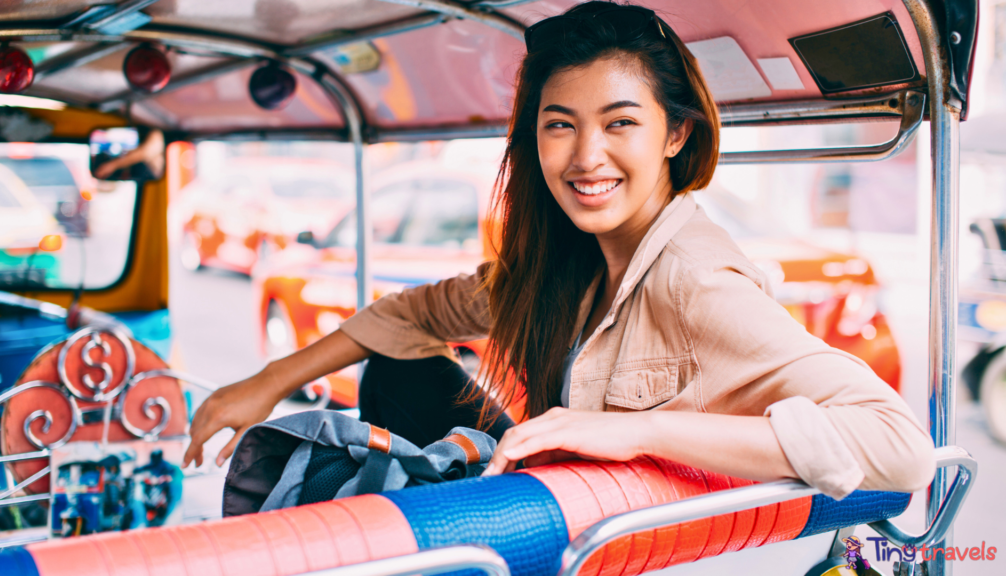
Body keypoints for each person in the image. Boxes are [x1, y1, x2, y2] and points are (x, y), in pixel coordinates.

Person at [184, 1, 934, 499]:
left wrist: (636, 429)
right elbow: (411, 313)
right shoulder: (567, 259)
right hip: (545, 497)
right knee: (389, 371)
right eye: (559, 125)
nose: (586, 156)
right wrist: (262, 385)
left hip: (612, 537)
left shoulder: (696, 279)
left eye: (619, 124)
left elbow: (900, 442)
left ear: (675, 134)